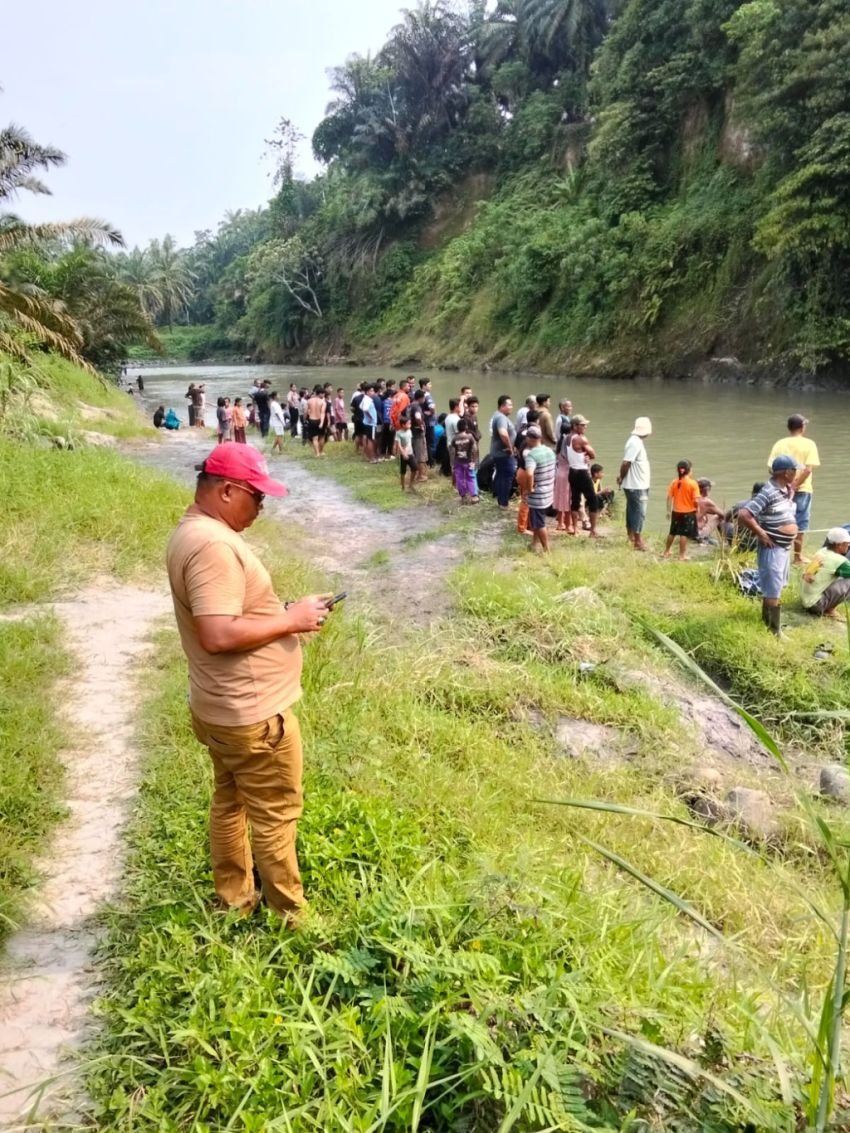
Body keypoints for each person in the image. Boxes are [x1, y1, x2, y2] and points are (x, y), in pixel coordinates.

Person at [166, 443, 332, 921]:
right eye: (255, 497)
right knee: (276, 814)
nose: (261, 506)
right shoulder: (214, 546)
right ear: (225, 491)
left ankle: (234, 900)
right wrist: (291, 621)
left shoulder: (192, 532)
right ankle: (291, 918)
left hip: (219, 707)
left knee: (230, 800)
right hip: (254, 714)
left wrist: (281, 613)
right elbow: (217, 634)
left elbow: (224, 616)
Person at [736, 455, 800, 635]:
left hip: (783, 547)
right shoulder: (768, 491)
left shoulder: (785, 488)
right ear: (786, 472)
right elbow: (744, 514)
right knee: (772, 589)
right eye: (795, 470)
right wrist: (762, 534)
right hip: (772, 547)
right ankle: (774, 631)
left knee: (777, 586)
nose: (796, 473)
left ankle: (770, 624)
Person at [767, 414, 820, 564]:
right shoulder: (809, 444)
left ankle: (778, 553)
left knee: (779, 519)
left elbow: (771, 467)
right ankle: (797, 557)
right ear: (802, 427)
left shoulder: (780, 444)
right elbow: (808, 469)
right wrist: (795, 485)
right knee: (800, 523)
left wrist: (786, 484)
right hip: (803, 489)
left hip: (780, 488)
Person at [618, 416, 652, 551]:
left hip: (636, 483)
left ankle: (631, 537)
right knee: (639, 512)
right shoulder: (635, 443)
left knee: (632, 510)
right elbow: (626, 462)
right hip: (637, 485)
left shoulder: (635, 441)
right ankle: (637, 541)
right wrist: (621, 477)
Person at [801, 529, 850, 618]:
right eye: (847, 544)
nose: (848, 546)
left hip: (806, 601)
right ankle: (829, 610)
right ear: (839, 545)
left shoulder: (822, 551)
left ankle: (827, 607)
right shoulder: (840, 561)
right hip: (816, 605)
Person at [523, 426, 556, 553]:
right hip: (548, 492)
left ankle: (546, 549)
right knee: (536, 521)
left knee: (540, 523)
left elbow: (529, 474)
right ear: (540, 437)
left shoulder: (531, 455)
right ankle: (534, 543)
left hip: (538, 495)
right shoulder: (549, 451)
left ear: (529, 439)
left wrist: (529, 488)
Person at [567, 415, 600, 538]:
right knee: (593, 500)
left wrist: (583, 454)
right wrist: (587, 455)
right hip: (581, 472)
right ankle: (593, 531)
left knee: (575, 500)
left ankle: (575, 529)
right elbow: (593, 454)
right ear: (575, 426)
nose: (585, 427)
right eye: (582, 425)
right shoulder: (581, 439)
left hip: (572, 471)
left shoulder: (567, 438)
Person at [663, 460, 700, 561]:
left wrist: (668, 510)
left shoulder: (674, 482)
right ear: (689, 470)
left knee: (672, 532)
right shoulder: (693, 483)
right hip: (688, 512)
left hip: (676, 512)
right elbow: (696, 500)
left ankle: (666, 551)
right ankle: (682, 555)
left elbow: (669, 497)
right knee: (684, 534)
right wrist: (697, 508)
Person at [490, 395, 516, 510]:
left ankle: (500, 499)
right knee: (507, 475)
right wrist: (510, 447)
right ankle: (503, 503)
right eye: (509, 405)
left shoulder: (498, 416)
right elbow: (503, 433)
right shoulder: (501, 418)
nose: (511, 407)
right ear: (502, 406)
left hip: (498, 452)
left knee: (501, 475)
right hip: (503, 453)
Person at [450, 418, 478, 503]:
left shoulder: (455, 438)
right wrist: (474, 460)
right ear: (466, 427)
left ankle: (463, 496)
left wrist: (452, 463)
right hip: (469, 461)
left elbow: (452, 452)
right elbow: (474, 449)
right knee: (471, 477)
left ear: (458, 428)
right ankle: (474, 496)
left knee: (460, 478)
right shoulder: (470, 437)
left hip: (458, 462)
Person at [459, 395, 481, 498]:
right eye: (472, 406)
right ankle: (470, 490)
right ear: (468, 406)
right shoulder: (466, 418)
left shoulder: (475, 417)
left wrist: (478, 434)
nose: (475, 408)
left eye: (476, 406)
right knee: (471, 467)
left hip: (476, 444)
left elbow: (476, 430)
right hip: (469, 446)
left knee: (476, 465)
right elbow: (468, 432)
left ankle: (475, 488)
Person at [394, 410, 416, 492]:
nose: (410, 425)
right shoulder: (398, 433)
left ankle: (411, 484)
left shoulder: (409, 431)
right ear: (403, 425)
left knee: (414, 468)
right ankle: (403, 486)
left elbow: (409, 443)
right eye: (408, 423)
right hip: (403, 454)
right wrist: (403, 453)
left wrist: (406, 453)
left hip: (410, 453)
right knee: (403, 471)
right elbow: (398, 444)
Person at [410, 390, 429, 480]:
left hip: (412, 432)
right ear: (421, 398)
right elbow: (418, 417)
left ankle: (417, 473)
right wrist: (421, 425)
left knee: (415, 453)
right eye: (424, 398)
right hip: (418, 434)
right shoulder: (417, 407)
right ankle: (421, 475)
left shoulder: (410, 405)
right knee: (420, 455)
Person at [305, 385, 327, 456]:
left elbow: (306, 412)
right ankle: (320, 451)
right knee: (321, 436)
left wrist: (305, 419)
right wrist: (321, 423)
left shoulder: (309, 401)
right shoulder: (323, 402)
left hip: (311, 420)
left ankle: (317, 453)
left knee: (314, 438)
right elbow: (323, 413)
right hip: (319, 420)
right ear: (320, 393)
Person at [360, 384, 379, 464]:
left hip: (366, 422)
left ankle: (370, 457)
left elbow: (361, 407)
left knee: (369, 440)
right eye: (371, 391)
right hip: (371, 423)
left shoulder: (365, 398)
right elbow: (365, 409)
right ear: (367, 392)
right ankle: (372, 458)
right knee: (371, 440)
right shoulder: (368, 400)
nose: (373, 392)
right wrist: (370, 417)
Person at [420, 378, 436, 466]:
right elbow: (432, 406)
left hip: (423, 422)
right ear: (424, 386)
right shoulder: (427, 395)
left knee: (425, 442)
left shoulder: (417, 393)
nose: (431, 386)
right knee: (430, 443)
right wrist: (432, 412)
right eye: (429, 384)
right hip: (429, 423)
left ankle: (426, 460)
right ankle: (431, 462)